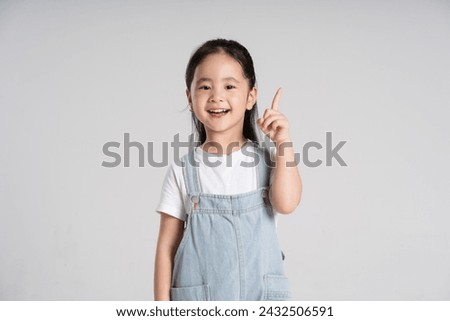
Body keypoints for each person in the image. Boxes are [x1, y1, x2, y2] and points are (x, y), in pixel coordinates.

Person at [154, 39, 302, 301]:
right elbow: (167, 248)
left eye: (229, 86)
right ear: (190, 98)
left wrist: (283, 142)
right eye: (205, 86)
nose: (216, 96)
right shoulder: (183, 170)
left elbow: (287, 203)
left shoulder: (269, 161)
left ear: (251, 96)